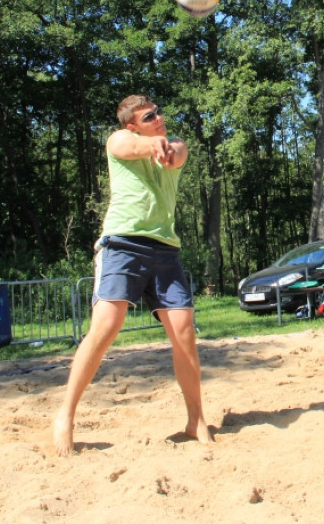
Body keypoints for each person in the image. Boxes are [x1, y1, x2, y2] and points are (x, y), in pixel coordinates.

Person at [52, 95, 212, 456]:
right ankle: (65, 415)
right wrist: (146, 143)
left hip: (165, 249)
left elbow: (176, 154)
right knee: (106, 327)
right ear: (132, 124)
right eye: (150, 116)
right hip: (122, 244)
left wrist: (161, 144)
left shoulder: (176, 145)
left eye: (159, 113)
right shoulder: (118, 140)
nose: (159, 118)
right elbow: (127, 146)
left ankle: (195, 419)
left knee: (184, 333)